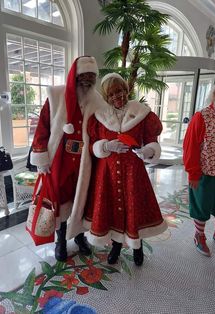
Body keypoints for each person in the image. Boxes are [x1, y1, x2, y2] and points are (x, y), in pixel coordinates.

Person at [79, 72, 167, 266]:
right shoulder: (99, 117)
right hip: (107, 173)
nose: (116, 97)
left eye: (119, 91)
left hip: (133, 172)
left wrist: (148, 150)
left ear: (126, 90)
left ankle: (137, 246)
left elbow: (152, 141)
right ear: (106, 97)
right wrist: (105, 146)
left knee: (133, 208)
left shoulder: (142, 113)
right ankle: (116, 246)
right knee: (112, 210)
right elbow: (92, 145)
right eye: (111, 94)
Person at [30, 56, 106, 261]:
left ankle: (80, 237)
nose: (87, 80)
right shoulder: (56, 95)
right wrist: (42, 159)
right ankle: (61, 241)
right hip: (60, 161)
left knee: (82, 200)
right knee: (62, 203)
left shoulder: (98, 101)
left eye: (92, 76)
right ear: (75, 75)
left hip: (86, 163)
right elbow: (43, 127)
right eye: (84, 75)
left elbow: (103, 130)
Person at [183, 81, 215, 257]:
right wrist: (193, 173)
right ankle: (199, 235)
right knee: (201, 206)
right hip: (205, 173)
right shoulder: (202, 117)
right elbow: (190, 146)